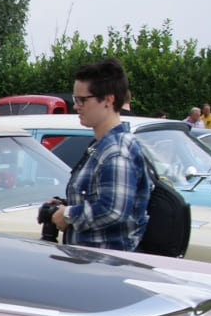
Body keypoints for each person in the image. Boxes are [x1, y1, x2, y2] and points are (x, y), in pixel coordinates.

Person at [45, 57, 151, 251]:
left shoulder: (116, 152)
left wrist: (68, 214)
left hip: (106, 264)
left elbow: (113, 210)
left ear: (108, 100)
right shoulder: (102, 145)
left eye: (82, 100)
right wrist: (65, 205)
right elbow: (100, 198)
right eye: (75, 99)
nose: (76, 105)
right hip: (92, 263)